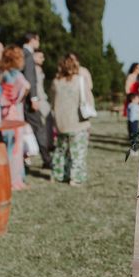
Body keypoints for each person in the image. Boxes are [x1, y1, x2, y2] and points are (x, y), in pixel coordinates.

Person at [50, 53, 94, 186]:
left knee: (61, 151)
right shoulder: (80, 80)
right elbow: (89, 100)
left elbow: (52, 101)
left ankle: (58, 174)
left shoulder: (56, 82)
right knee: (78, 152)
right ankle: (76, 177)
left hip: (61, 122)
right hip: (78, 123)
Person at [0, 46, 30, 191]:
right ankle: (14, 179)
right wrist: (18, 100)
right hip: (14, 113)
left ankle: (3, 177)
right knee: (15, 148)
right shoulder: (17, 75)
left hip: (2, 113)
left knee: (5, 147)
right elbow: (26, 86)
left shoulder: (1, 73)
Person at [21, 33, 51, 169]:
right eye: (37, 39)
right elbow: (29, 79)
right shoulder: (27, 55)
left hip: (24, 100)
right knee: (39, 128)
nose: (38, 42)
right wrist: (33, 98)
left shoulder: (24, 53)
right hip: (29, 101)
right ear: (32, 40)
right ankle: (47, 159)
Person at [33, 49, 54, 157]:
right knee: (43, 127)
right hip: (39, 101)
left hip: (42, 100)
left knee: (48, 124)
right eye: (40, 57)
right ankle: (45, 150)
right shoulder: (34, 70)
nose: (43, 59)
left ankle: (48, 148)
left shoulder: (38, 69)